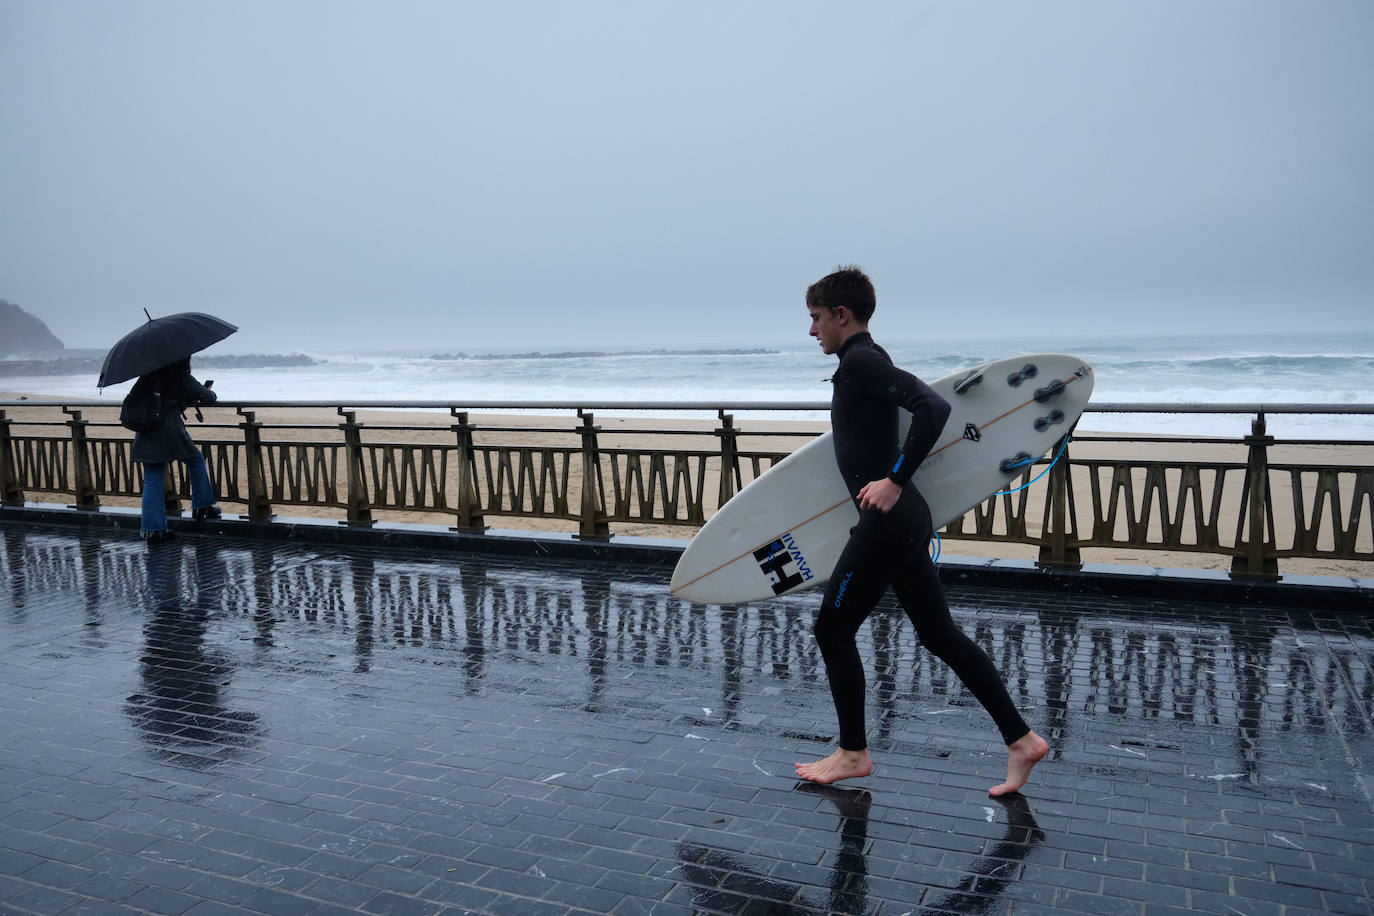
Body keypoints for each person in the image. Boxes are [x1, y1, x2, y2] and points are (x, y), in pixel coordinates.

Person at [794, 266, 1048, 796]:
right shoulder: (865, 360)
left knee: (832, 631)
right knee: (938, 635)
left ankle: (853, 752)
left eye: (816, 318)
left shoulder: (862, 361)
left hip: (888, 521)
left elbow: (933, 406)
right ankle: (1022, 741)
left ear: (842, 314)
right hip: (902, 522)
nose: (812, 330)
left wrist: (893, 480)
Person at [131, 357, 222, 544]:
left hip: (146, 429)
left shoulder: (148, 376)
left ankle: (153, 531)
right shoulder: (180, 376)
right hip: (169, 430)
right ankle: (202, 506)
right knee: (195, 460)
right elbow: (209, 397)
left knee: (152, 480)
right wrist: (204, 392)